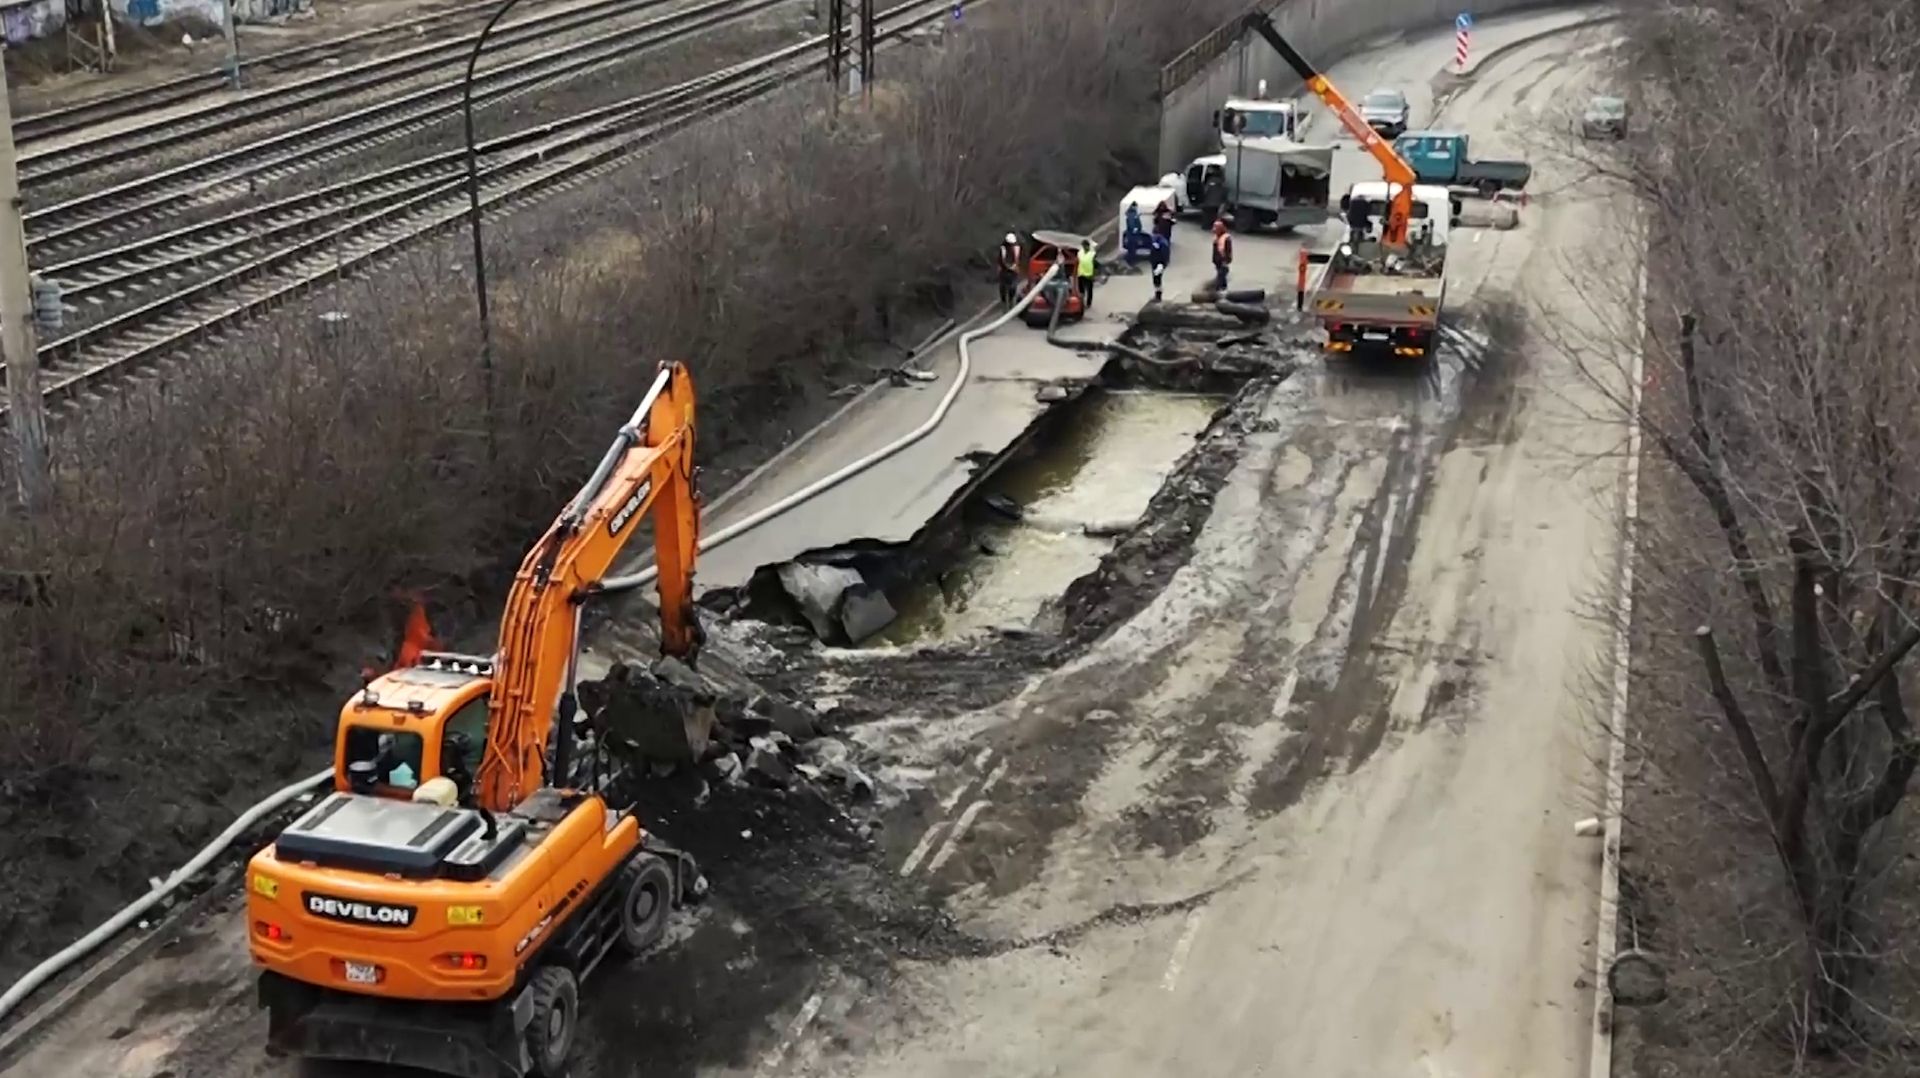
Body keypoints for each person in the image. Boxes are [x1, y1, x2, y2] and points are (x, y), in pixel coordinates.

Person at [996, 231, 1023, 309]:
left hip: (1013, 272)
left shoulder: (1017, 248)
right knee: (1003, 288)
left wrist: (1016, 267)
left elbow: (1019, 259)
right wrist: (1000, 269)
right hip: (1004, 272)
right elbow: (1000, 260)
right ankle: (1004, 304)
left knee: (1012, 288)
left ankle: (1011, 303)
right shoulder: (1003, 249)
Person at [1148, 230, 1171, 302]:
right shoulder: (1158, 241)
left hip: (1159, 263)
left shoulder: (1162, 243)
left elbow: (1164, 255)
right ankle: (1157, 295)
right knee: (1156, 279)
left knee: (1157, 279)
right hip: (1156, 263)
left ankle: (1158, 296)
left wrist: (1163, 264)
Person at [1211, 219, 1233, 291]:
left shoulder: (1226, 238)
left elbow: (1228, 251)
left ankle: (1218, 290)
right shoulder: (1216, 237)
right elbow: (1215, 251)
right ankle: (1224, 289)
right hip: (1218, 261)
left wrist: (1226, 261)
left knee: (1220, 277)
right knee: (1222, 278)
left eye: (1216, 228)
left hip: (1223, 262)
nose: (1214, 230)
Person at [1076, 239, 1097, 309]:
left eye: (1086, 246)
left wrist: (1094, 274)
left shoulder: (1092, 253)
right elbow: (1077, 262)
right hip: (1081, 273)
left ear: (1088, 246)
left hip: (1089, 274)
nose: (1084, 247)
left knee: (1089, 290)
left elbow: (1095, 264)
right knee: (1081, 290)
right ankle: (1081, 303)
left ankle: (1088, 303)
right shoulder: (1079, 253)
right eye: (1083, 246)